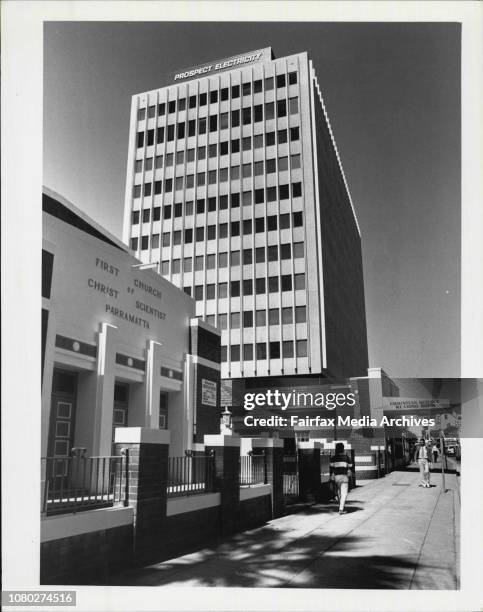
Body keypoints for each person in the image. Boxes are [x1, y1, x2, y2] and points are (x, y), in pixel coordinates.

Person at [329, 442, 353, 514]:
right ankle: (341, 509)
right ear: (343, 449)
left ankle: (341, 507)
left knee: (339, 493)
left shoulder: (333, 458)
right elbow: (351, 466)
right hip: (344, 477)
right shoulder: (347, 458)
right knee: (344, 494)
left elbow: (331, 467)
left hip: (336, 478)